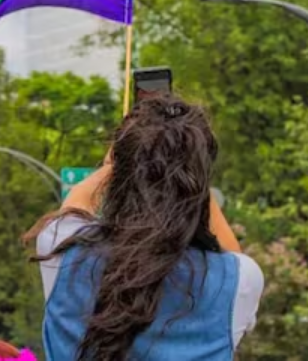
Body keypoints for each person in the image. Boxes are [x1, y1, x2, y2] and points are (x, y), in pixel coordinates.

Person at [26, 95, 265, 360]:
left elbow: (77, 202)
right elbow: (232, 253)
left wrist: (124, 157)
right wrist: (189, 171)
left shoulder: (62, 250)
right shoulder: (240, 281)